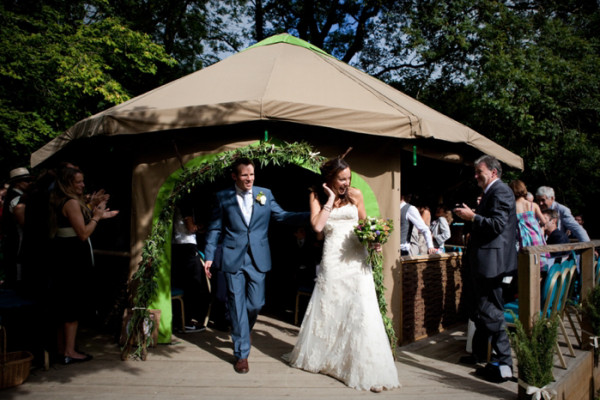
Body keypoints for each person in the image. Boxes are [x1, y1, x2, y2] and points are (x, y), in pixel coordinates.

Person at [287, 156, 400, 392]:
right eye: (341, 179)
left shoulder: (356, 195)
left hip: (356, 258)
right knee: (332, 305)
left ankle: (365, 368)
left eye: (348, 178)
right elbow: (317, 227)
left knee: (361, 309)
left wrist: (373, 241)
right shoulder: (316, 196)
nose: (346, 183)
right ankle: (329, 359)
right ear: (329, 179)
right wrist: (329, 198)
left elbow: (364, 225)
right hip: (332, 258)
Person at [203, 158, 309, 374]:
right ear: (235, 176)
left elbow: (282, 216)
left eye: (251, 175)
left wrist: (313, 215)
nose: (249, 179)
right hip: (233, 258)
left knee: (256, 304)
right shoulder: (223, 197)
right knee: (236, 304)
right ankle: (241, 354)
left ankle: (244, 329)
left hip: (258, 257)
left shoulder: (265, 194)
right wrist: (209, 255)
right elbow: (214, 229)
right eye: (244, 175)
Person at [454, 155, 517, 383]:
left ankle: (505, 364)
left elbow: (497, 225)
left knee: (489, 310)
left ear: (493, 172)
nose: (476, 176)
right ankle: (480, 355)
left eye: (479, 171)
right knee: (479, 309)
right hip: (485, 262)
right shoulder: (494, 191)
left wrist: (474, 217)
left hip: (492, 264)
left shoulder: (500, 191)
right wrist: (474, 215)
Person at [49, 167, 118, 365]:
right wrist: (96, 216)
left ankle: (62, 348)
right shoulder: (70, 203)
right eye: (78, 182)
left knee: (64, 303)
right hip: (72, 256)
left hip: (63, 253)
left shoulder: (59, 200)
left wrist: (97, 212)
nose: (83, 185)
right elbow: (83, 233)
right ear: (68, 183)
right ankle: (70, 351)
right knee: (71, 303)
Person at [171, 197, 210, 332]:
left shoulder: (175, 203)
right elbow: (190, 227)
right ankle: (187, 321)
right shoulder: (185, 203)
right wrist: (201, 226)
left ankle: (178, 320)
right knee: (192, 285)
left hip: (176, 245)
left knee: (181, 283)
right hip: (187, 246)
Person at [1, 167, 33, 289]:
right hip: (16, 239)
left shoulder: (15, 195)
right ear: (18, 183)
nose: (30, 183)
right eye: (27, 181)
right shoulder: (16, 199)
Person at [509, 180, 548, 268]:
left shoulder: (511, 208)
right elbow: (544, 221)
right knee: (538, 265)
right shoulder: (533, 205)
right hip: (535, 237)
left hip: (521, 239)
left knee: (525, 266)